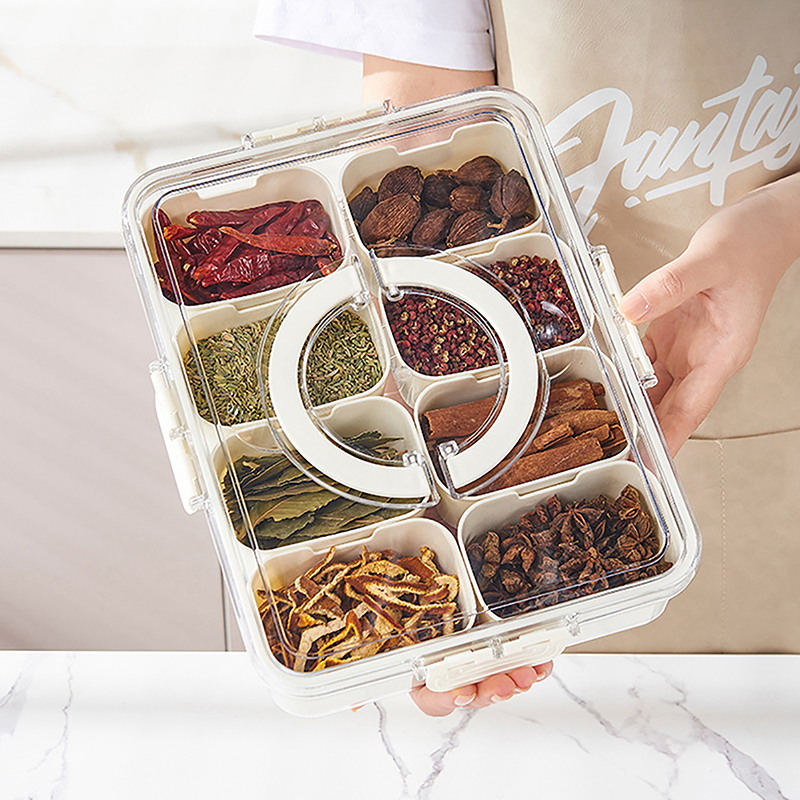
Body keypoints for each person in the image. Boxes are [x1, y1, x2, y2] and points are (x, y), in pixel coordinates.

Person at [255, 0, 800, 716]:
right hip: (540, 376)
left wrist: (779, 224)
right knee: (576, 729)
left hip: (779, 364)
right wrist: (424, 544)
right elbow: (424, 139)